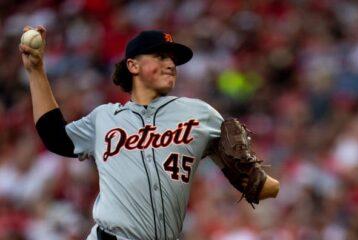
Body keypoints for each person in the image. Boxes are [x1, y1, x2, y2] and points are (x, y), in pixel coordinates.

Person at [19, 26, 280, 240]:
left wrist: (267, 185)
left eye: (173, 60)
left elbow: (256, 185)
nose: (171, 64)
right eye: (160, 57)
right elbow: (55, 137)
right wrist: (36, 71)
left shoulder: (201, 115)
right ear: (133, 65)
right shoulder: (105, 117)